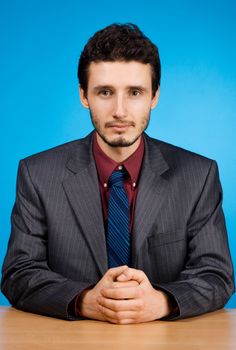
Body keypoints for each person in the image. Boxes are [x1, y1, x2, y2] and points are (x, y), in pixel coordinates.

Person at [1, 23, 234, 324]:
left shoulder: (199, 176)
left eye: (135, 92)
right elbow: (19, 272)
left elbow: (216, 275)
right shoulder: (37, 174)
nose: (120, 111)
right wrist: (86, 301)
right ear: (84, 95)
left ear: (155, 96)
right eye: (105, 92)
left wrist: (162, 302)